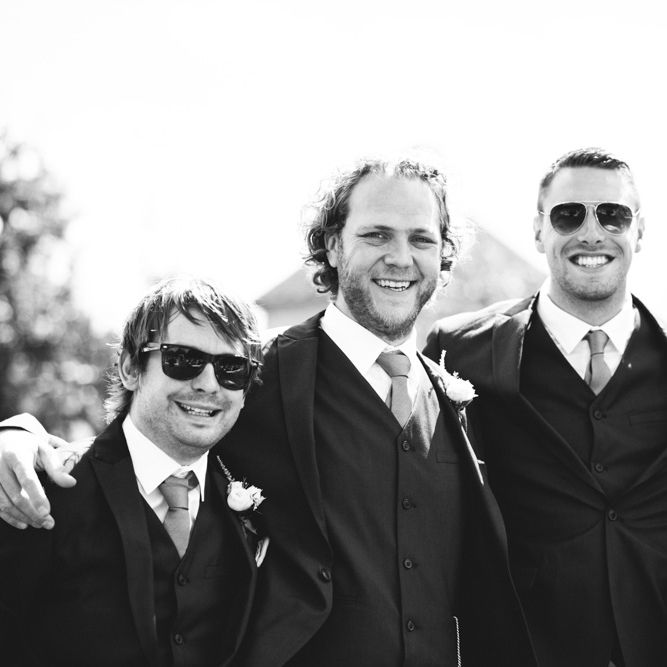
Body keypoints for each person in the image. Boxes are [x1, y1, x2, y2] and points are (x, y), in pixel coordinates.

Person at [0, 158, 537, 666]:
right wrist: (18, 436)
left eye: (421, 238)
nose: (400, 256)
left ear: (442, 254)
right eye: (376, 234)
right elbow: (144, 440)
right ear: (333, 245)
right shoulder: (251, 372)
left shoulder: (458, 399)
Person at [424, 147, 667, 667]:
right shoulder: (459, 351)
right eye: (568, 215)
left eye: (613, 215)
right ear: (539, 230)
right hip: (519, 648)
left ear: (640, 231)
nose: (592, 234)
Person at [0, 277, 266, 667]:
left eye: (231, 368)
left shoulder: (261, 492)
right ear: (130, 368)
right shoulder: (37, 489)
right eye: (183, 359)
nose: (209, 384)